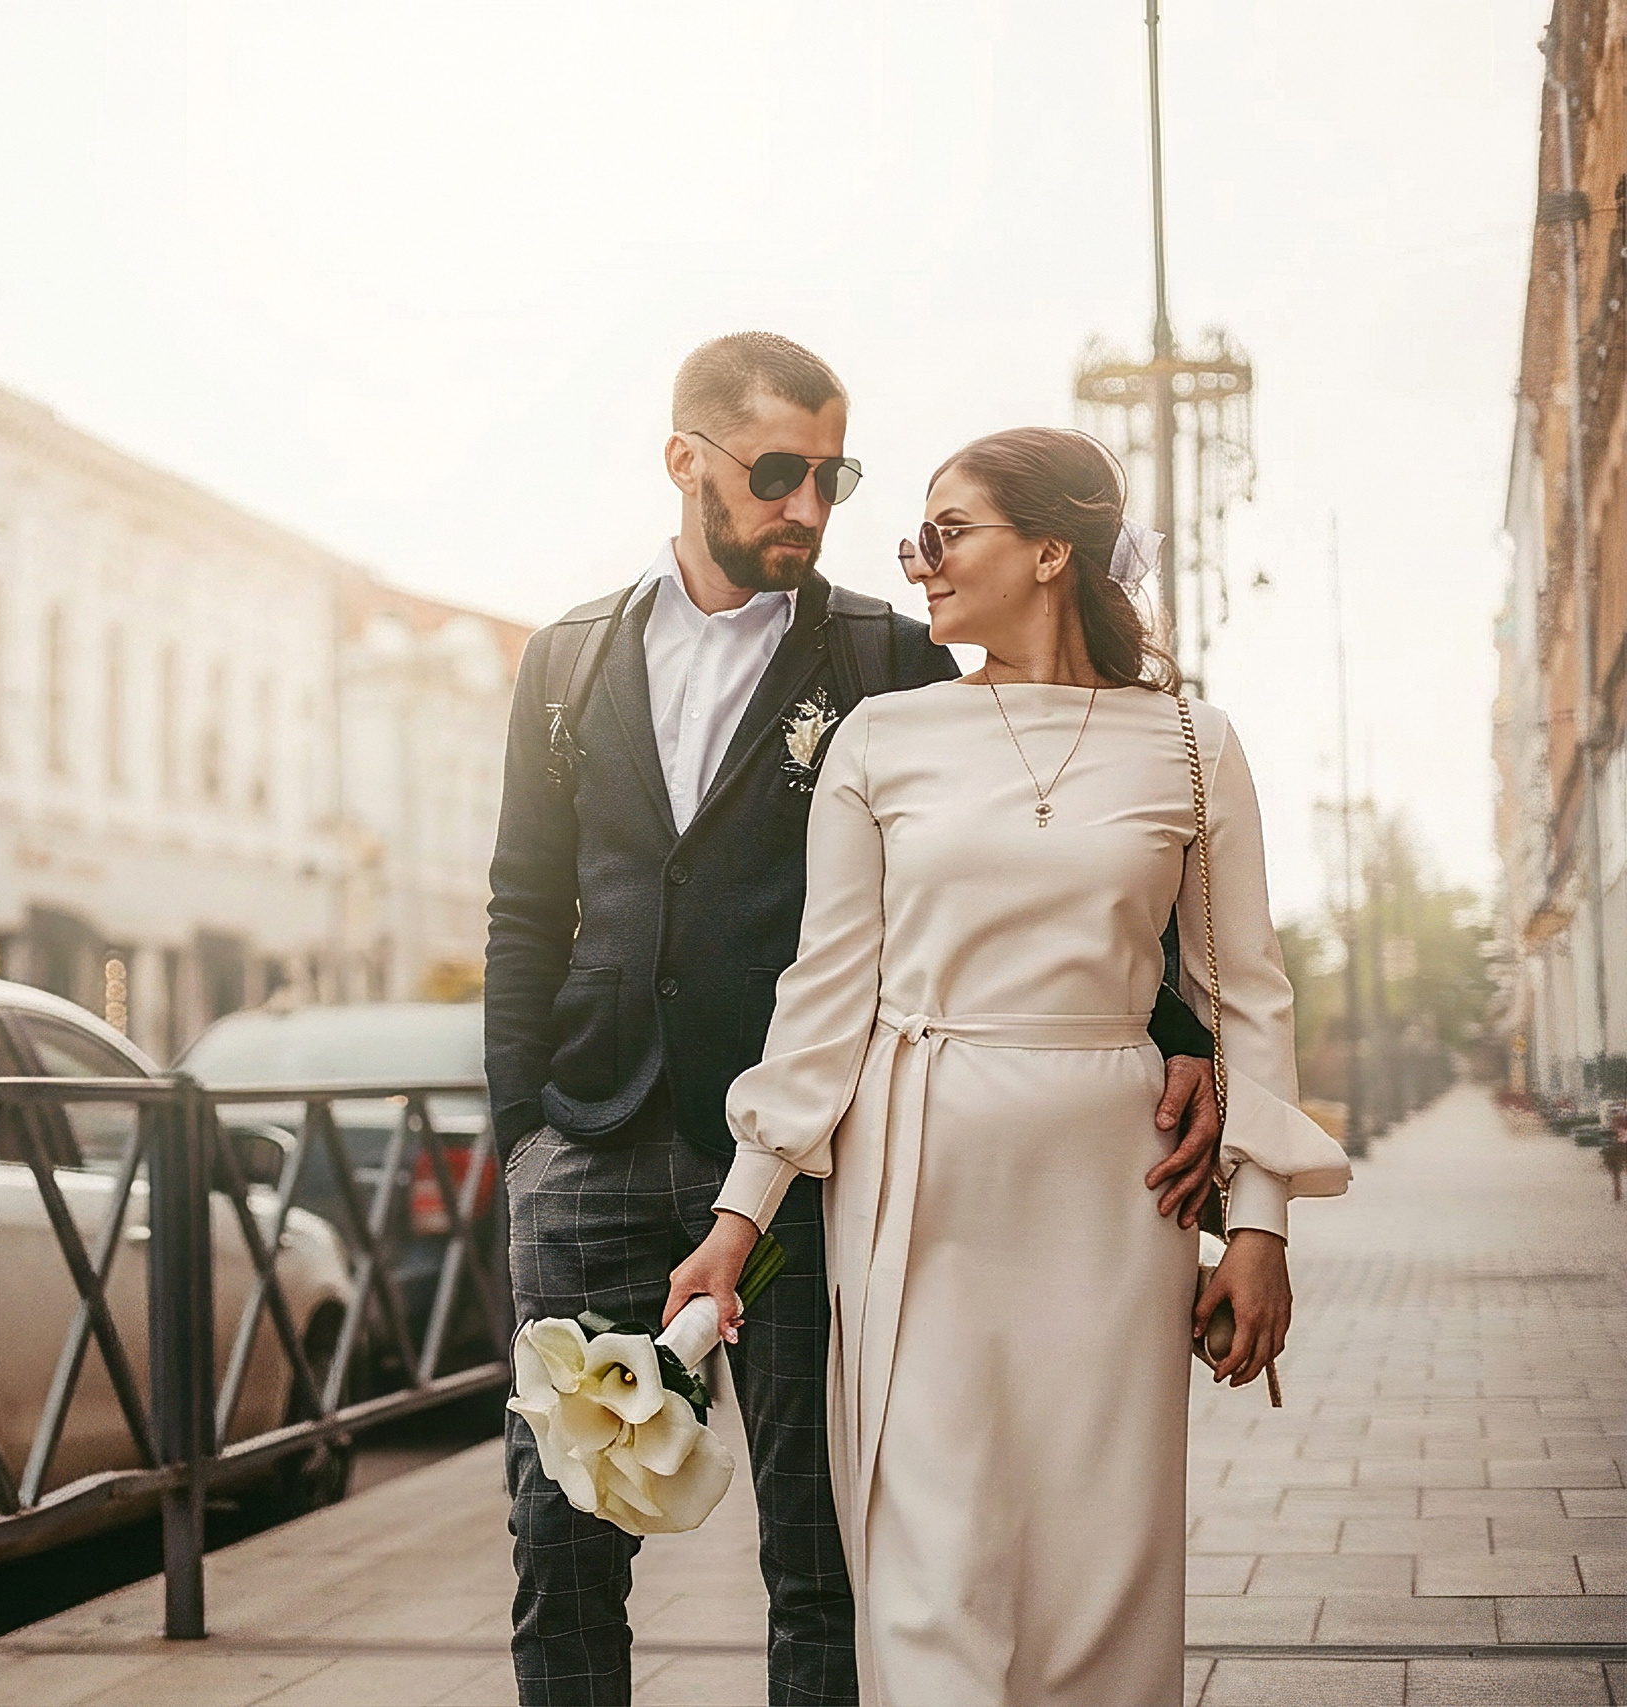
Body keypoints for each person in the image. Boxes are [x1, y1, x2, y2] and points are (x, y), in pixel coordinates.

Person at [486, 341, 1223, 1707]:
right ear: (685, 460)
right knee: (560, 1536)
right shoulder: (570, 657)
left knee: (825, 1545)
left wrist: (1177, 1027)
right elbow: (525, 907)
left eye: (834, 475)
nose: (809, 507)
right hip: (592, 1134)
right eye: (778, 474)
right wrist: (519, 1134)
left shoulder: (888, 653)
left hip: (819, 1157)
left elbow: (1042, 847)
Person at [669, 426, 1347, 1706]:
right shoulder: (880, 740)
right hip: (914, 1181)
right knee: (929, 1563)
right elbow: (825, 998)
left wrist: (1259, 1229)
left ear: (1049, 551)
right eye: (913, 535)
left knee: (1104, 1553)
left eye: (947, 529)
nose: (917, 559)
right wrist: (737, 1213)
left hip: (1112, 1194)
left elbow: (1242, 995)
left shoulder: (1193, 745)